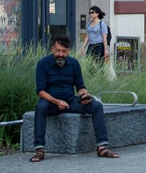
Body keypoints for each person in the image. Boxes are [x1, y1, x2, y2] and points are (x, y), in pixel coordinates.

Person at [30, 34, 119, 162]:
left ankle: (102, 147)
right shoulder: (43, 64)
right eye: (58, 50)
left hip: (70, 101)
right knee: (40, 107)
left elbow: (80, 86)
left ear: (69, 51)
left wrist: (84, 96)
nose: (61, 54)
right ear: (52, 49)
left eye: (64, 51)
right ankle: (40, 150)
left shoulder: (74, 63)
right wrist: (56, 101)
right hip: (51, 102)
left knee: (97, 106)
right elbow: (40, 91)